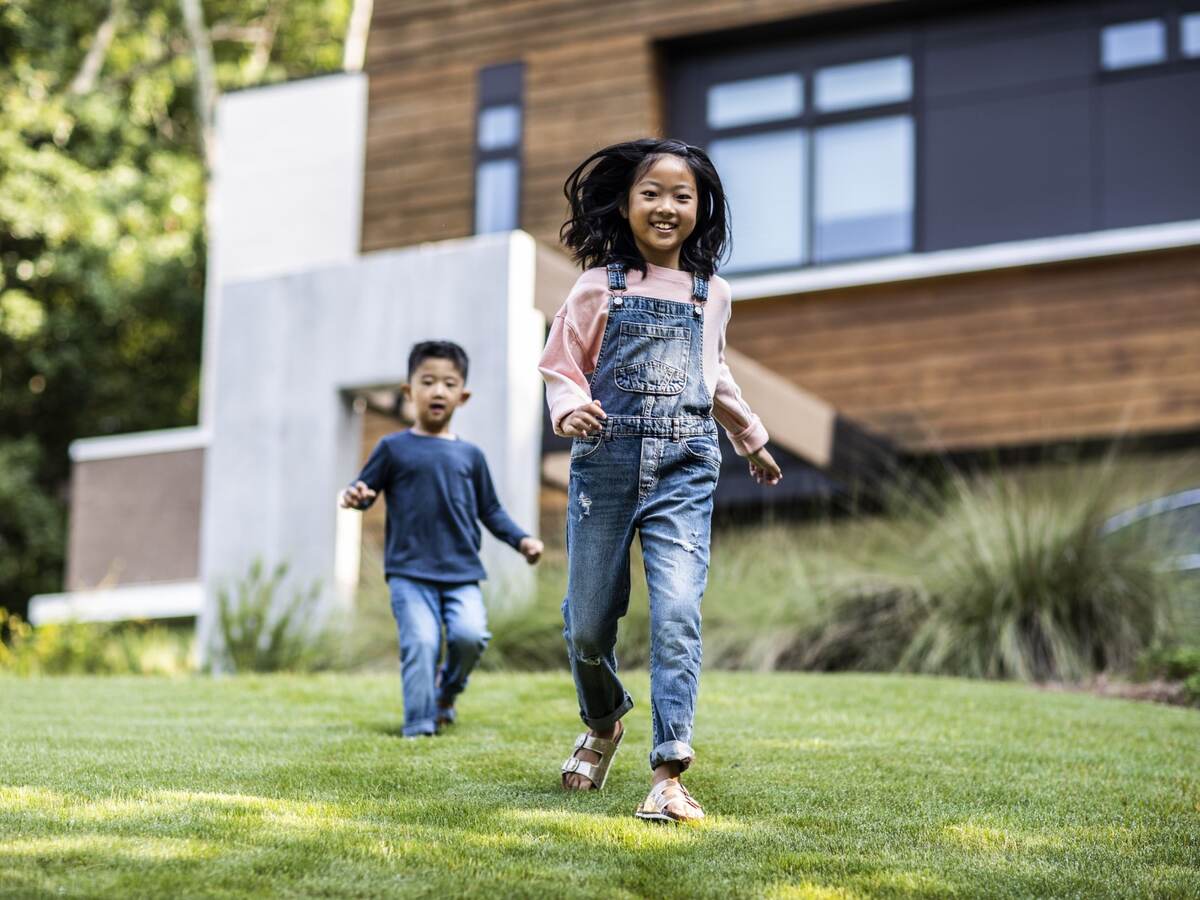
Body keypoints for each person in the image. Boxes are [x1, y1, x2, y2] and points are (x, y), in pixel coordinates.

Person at [539, 138, 783, 822]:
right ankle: (604, 719)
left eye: (683, 195)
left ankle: (668, 775)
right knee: (588, 625)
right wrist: (568, 407)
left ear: (702, 209)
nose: (667, 206)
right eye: (652, 193)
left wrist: (752, 438)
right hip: (605, 466)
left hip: (685, 464)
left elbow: (714, 376)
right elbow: (561, 364)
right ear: (625, 204)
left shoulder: (713, 295)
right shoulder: (597, 287)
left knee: (677, 612)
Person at [341, 340, 544, 737]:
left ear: (462, 396)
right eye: (428, 381)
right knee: (420, 641)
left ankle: (447, 692)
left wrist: (522, 540)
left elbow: (491, 511)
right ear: (408, 391)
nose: (438, 391)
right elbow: (363, 488)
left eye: (448, 384)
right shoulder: (392, 448)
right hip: (408, 571)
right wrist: (357, 495)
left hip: (461, 571)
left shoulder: (470, 456)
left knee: (470, 636)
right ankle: (419, 723)